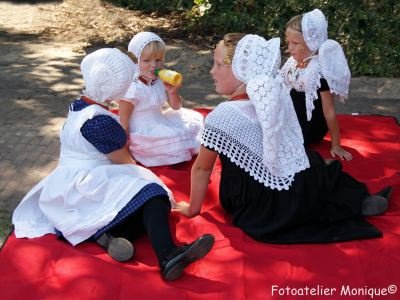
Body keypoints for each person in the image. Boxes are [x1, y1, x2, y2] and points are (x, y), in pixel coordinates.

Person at [12, 48, 214, 281]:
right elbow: (125, 162)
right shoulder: (100, 123)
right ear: (113, 87)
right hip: (86, 183)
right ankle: (167, 255)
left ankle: (113, 234)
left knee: (143, 199)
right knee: (155, 195)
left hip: (69, 183)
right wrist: (152, 182)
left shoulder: (80, 107)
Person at [173, 33, 392, 244]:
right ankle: (353, 201)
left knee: (312, 167)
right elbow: (289, 143)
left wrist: (193, 208)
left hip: (251, 202)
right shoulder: (275, 96)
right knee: (316, 170)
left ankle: (341, 205)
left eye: (219, 64)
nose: (212, 71)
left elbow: (202, 168)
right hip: (280, 187)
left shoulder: (221, 116)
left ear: (241, 69)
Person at [118, 31, 204, 167]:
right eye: (147, 60)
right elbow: (124, 121)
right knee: (175, 144)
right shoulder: (133, 88)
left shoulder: (159, 81)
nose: (154, 65)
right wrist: (125, 151)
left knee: (192, 124)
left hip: (161, 121)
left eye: (158, 60)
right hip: (142, 131)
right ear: (135, 61)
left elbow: (176, 107)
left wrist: (173, 92)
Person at [279, 9, 353, 160]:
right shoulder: (292, 63)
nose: (289, 47)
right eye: (288, 42)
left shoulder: (318, 72)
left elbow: (329, 111)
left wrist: (336, 144)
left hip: (310, 125)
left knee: (278, 141)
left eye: (295, 43)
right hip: (292, 116)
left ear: (311, 43)